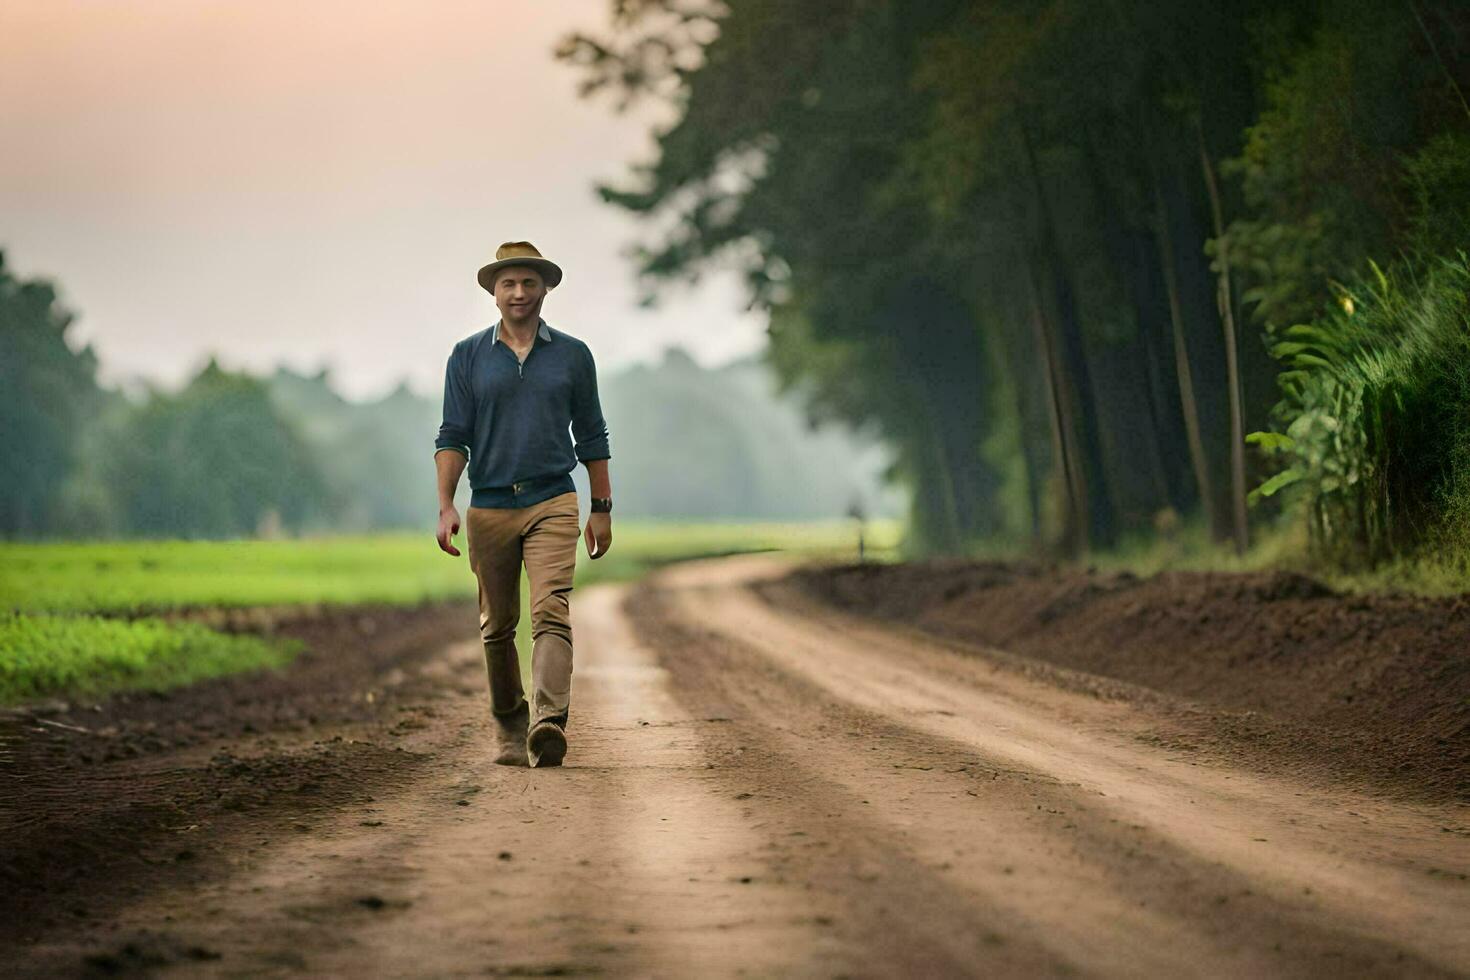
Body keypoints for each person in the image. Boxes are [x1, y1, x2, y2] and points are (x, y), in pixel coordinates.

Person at [434, 241, 613, 768]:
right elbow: (452, 435)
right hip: (487, 506)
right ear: (493, 293)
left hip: (552, 499)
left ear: (545, 289)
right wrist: (446, 505)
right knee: (497, 625)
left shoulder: (573, 355)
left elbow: (593, 434)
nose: (518, 292)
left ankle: (548, 721)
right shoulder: (467, 356)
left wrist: (600, 505)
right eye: (508, 283)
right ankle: (510, 721)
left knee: (550, 609)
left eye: (528, 283)